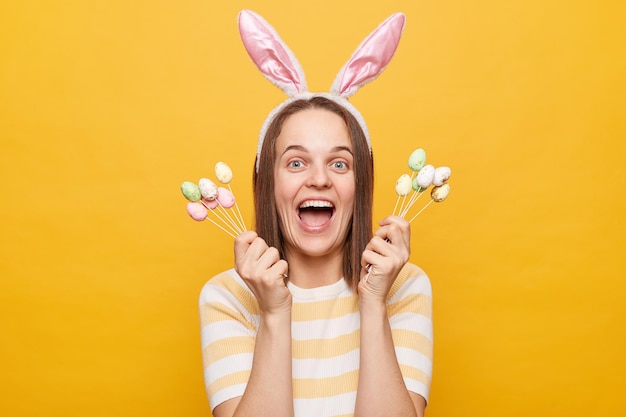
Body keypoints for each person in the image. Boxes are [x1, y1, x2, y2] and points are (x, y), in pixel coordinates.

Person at [199, 10, 433, 417]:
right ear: (267, 184)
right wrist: (273, 313)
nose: (320, 179)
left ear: (360, 184)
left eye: (340, 164)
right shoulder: (227, 296)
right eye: (295, 163)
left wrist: (374, 303)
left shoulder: (404, 286)